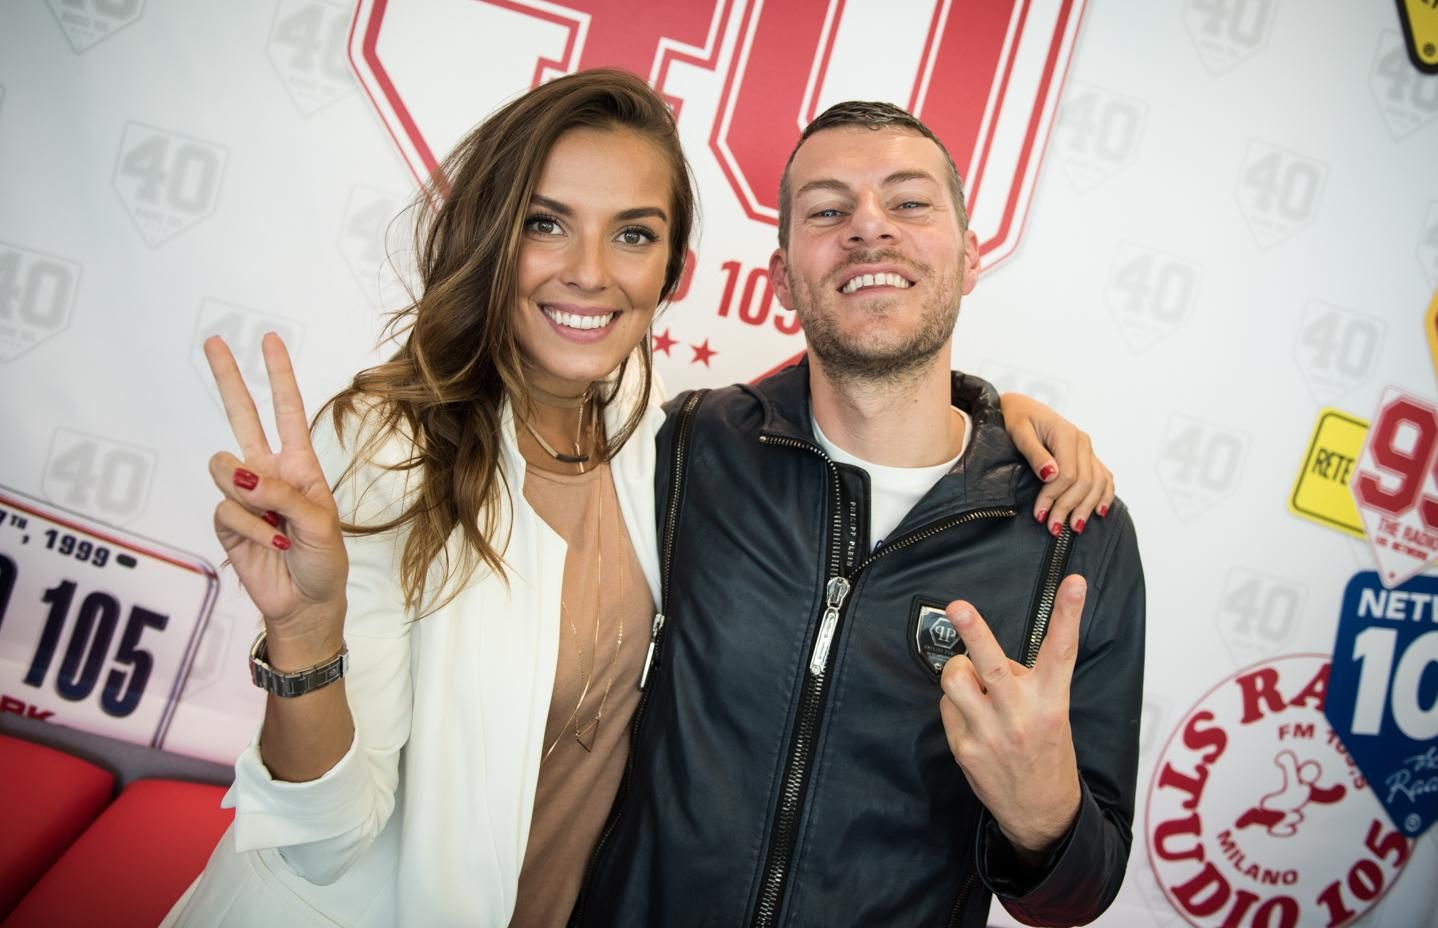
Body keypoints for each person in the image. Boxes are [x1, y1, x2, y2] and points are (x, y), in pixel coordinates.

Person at [163, 72, 1111, 927]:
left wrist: (995, 421)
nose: (589, 269)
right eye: (545, 223)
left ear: (670, 273)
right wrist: (304, 634)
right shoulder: (403, 447)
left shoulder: (660, 436)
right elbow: (322, 839)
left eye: (632, 233)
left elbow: (869, 367)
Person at [573, 103, 1145, 927]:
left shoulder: (1075, 532)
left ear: (970, 255)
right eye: (827, 210)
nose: (869, 227)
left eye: (908, 202)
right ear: (781, 276)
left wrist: (1046, 815)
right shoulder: (686, 448)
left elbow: (1082, 894)